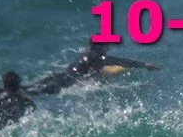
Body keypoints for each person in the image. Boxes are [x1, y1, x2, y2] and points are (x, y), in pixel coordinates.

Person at [28, 41, 160, 97]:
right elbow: (122, 61)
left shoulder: (86, 54)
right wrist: (144, 65)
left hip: (58, 76)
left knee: (30, 88)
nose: (107, 49)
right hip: (66, 83)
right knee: (38, 94)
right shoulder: (99, 57)